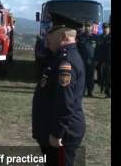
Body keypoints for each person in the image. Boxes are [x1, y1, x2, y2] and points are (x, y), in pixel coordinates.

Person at [32, 12, 85, 166]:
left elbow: (65, 102)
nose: (47, 37)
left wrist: (57, 133)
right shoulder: (59, 57)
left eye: (51, 33)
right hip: (54, 129)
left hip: (61, 133)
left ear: (63, 36)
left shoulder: (66, 62)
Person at [77, 21, 97, 97]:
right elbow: (77, 49)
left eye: (89, 26)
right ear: (84, 27)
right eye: (86, 26)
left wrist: (96, 60)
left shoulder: (95, 37)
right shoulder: (80, 37)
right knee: (82, 77)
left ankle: (90, 92)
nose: (87, 28)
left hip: (92, 61)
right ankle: (82, 92)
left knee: (91, 77)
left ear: (91, 27)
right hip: (82, 61)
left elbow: (97, 49)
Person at [97, 23, 111, 98]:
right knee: (105, 77)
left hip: (110, 60)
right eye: (104, 28)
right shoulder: (100, 38)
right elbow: (98, 49)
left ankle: (108, 92)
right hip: (103, 61)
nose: (105, 29)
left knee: (109, 77)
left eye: (107, 28)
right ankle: (107, 92)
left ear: (109, 28)